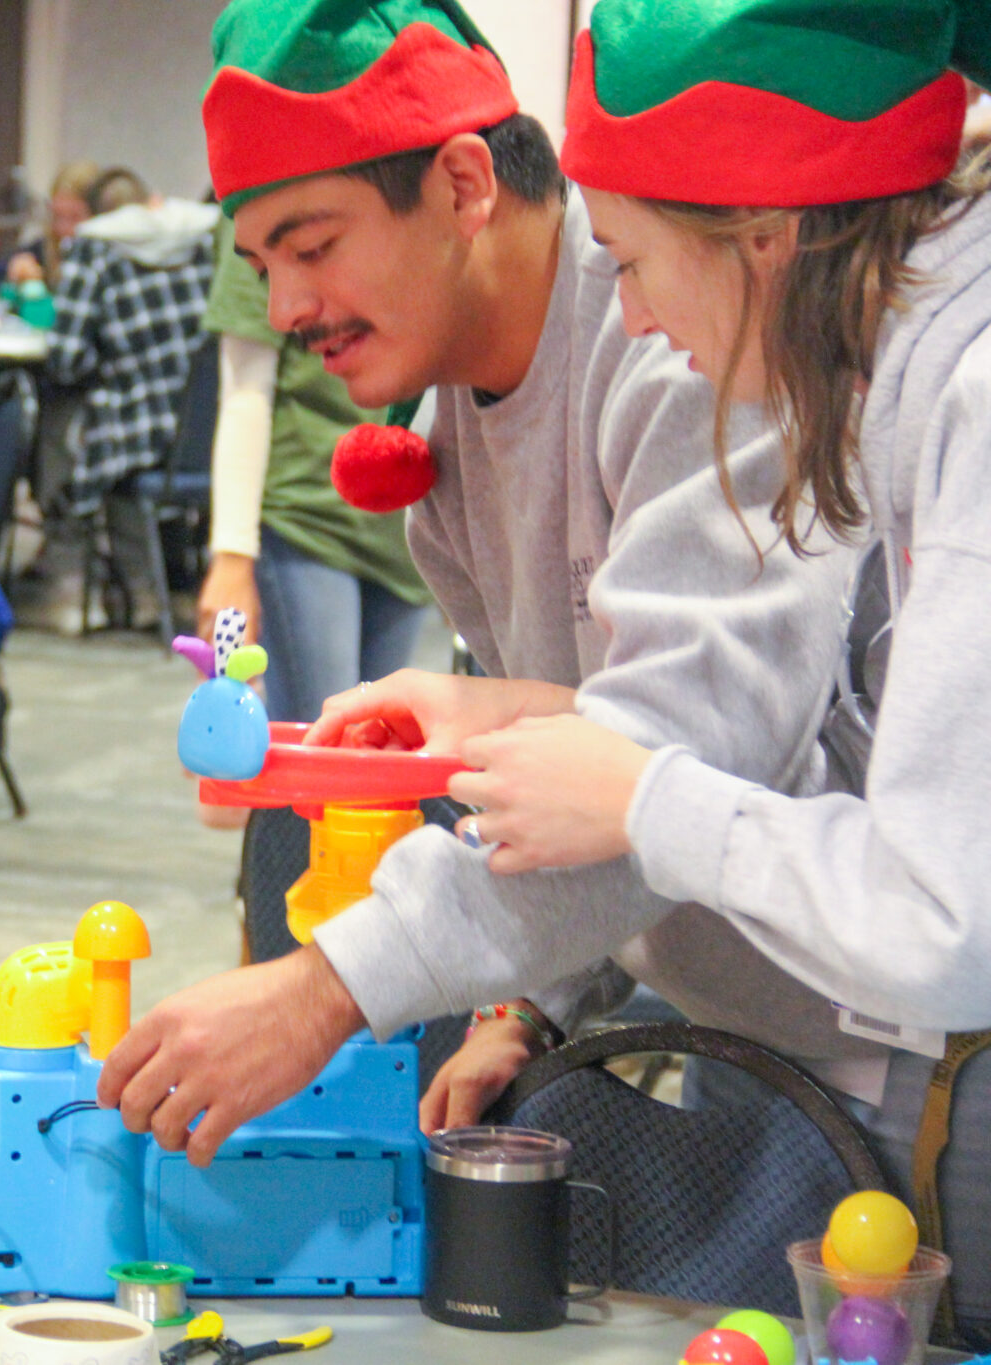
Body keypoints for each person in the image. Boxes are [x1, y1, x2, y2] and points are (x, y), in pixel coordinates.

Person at [99, 0, 859, 1176]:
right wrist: (535, 997)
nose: (288, 308)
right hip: (741, 1022)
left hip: (896, 1035)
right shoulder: (441, 443)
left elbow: (681, 759)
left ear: (462, 184)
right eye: (261, 268)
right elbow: (579, 786)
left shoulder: (687, 340)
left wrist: (324, 992)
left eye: (311, 247)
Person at [331, 2, 991, 1330]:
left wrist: (643, 801)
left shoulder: (969, 388)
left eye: (627, 262)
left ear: (765, 233)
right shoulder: (912, 358)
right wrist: (527, 721)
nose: (627, 320)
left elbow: (942, 921)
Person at [194, 227, 431, 724]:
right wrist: (233, 556)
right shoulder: (257, 207)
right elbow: (245, 391)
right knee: (320, 740)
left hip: (406, 518)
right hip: (308, 512)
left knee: (376, 747)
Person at [43, 168, 218, 620]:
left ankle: (133, 592)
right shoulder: (200, 241)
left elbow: (64, 358)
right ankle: (175, 581)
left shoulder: (98, 249)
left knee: (70, 434)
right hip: (209, 437)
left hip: (139, 435)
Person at [4, 160, 102, 287]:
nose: (63, 228)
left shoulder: (110, 262)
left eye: (75, 217)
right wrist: (15, 269)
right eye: (57, 217)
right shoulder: (40, 251)